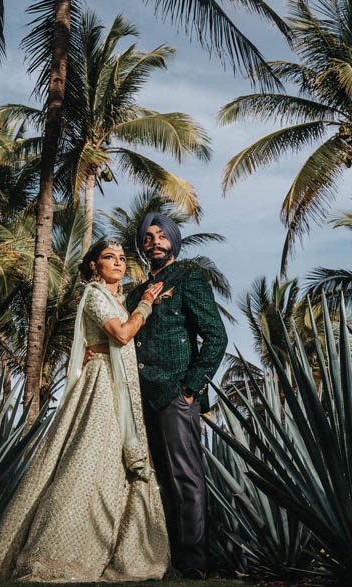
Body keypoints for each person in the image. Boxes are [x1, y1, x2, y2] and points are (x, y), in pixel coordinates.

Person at [0, 239, 170, 584]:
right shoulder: (94, 295)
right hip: (102, 387)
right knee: (85, 461)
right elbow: (122, 335)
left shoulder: (115, 300)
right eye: (109, 257)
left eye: (122, 258)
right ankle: (56, 554)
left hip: (121, 388)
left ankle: (115, 548)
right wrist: (146, 304)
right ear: (94, 265)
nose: (118, 263)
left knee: (112, 466)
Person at [124, 212, 228, 578]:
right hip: (142, 396)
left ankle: (194, 562)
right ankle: (165, 558)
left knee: (186, 478)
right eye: (147, 237)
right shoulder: (134, 294)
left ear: (173, 240)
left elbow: (215, 336)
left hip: (175, 394)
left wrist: (190, 388)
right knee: (158, 481)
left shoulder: (188, 277)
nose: (154, 241)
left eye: (161, 235)